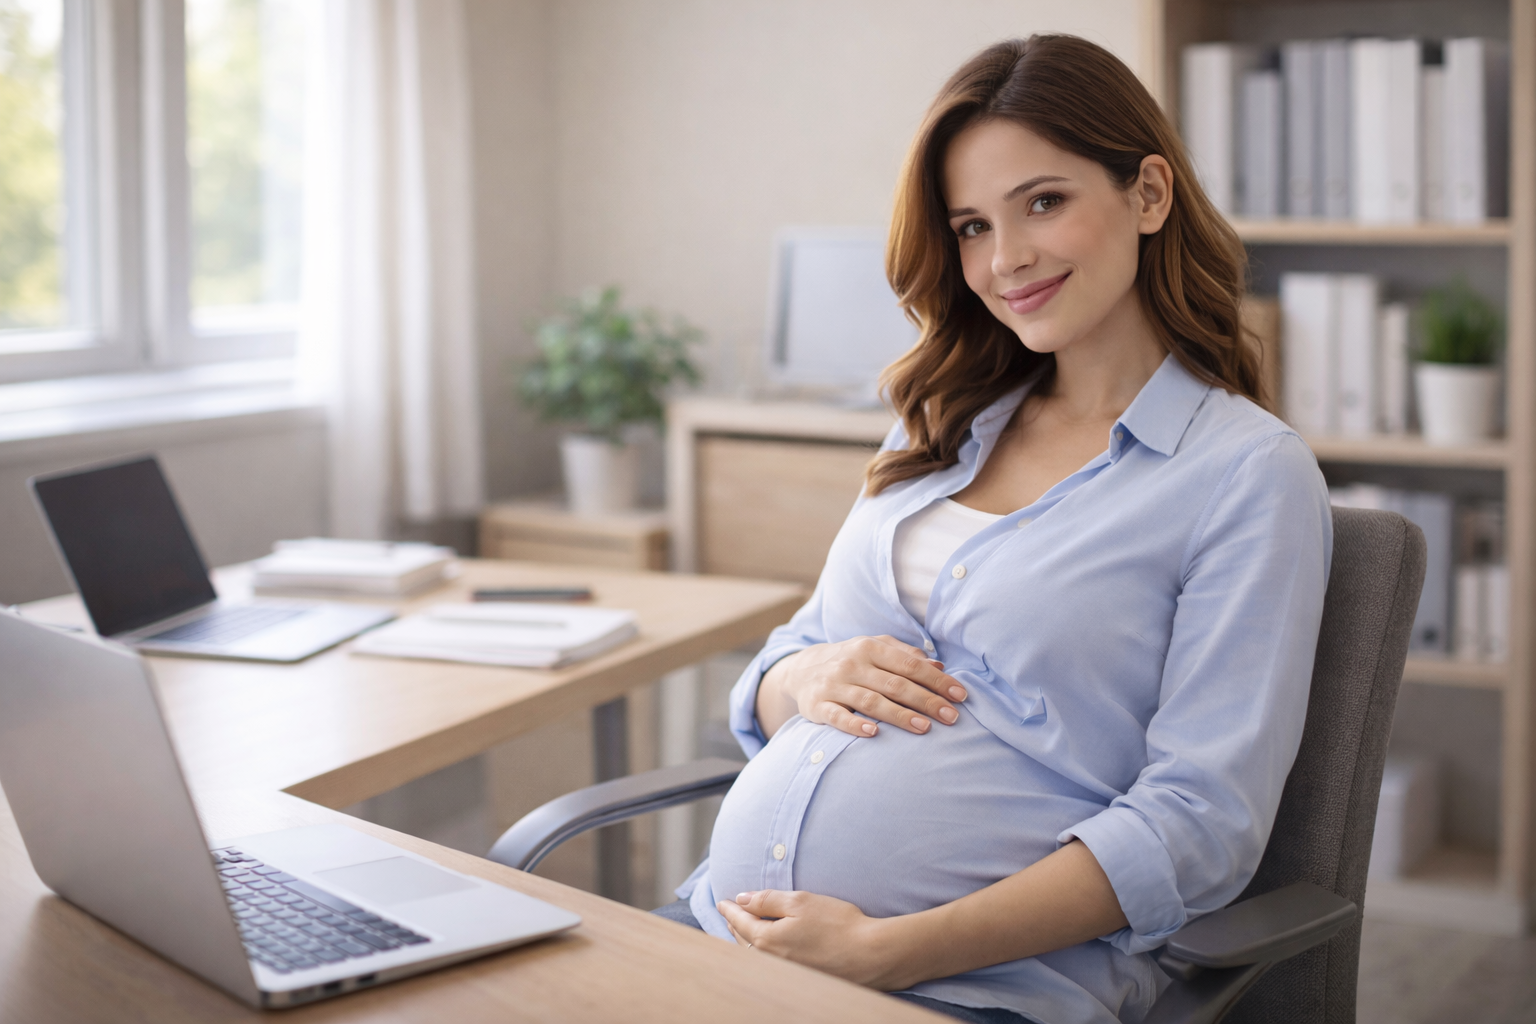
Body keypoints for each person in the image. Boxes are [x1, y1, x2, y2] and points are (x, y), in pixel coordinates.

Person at [657, 35, 1332, 1024]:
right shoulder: (939, 423)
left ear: (1148, 194)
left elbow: (1200, 827)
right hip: (722, 938)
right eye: (972, 225)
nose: (1004, 259)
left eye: (1044, 202)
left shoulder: (1244, 475)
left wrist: (888, 951)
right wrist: (800, 678)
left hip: (970, 988)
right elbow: (781, 670)